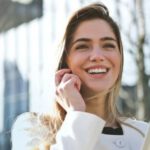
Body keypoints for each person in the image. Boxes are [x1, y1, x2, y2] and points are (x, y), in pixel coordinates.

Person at [11, 2, 149, 150]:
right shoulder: (32, 130)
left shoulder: (143, 134)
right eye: (82, 46)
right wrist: (77, 113)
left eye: (108, 45)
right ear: (64, 62)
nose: (97, 56)